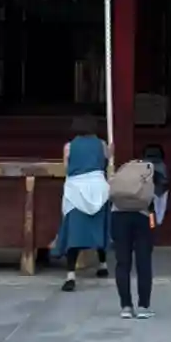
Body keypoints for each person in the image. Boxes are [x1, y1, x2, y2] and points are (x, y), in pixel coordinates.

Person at [110, 148, 170, 320]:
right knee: (143, 262)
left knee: (122, 262)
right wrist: (155, 223)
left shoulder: (128, 167)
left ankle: (126, 307)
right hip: (144, 217)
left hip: (118, 216)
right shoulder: (157, 172)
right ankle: (143, 306)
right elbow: (160, 204)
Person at [54, 114, 110, 293]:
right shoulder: (102, 144)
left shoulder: (69, 146)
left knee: (75, 231)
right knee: (98, 226)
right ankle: (103, 264)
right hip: (98, 187)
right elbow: (106, 163)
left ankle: (70, 275)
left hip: (76, 189)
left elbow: (67, 168)